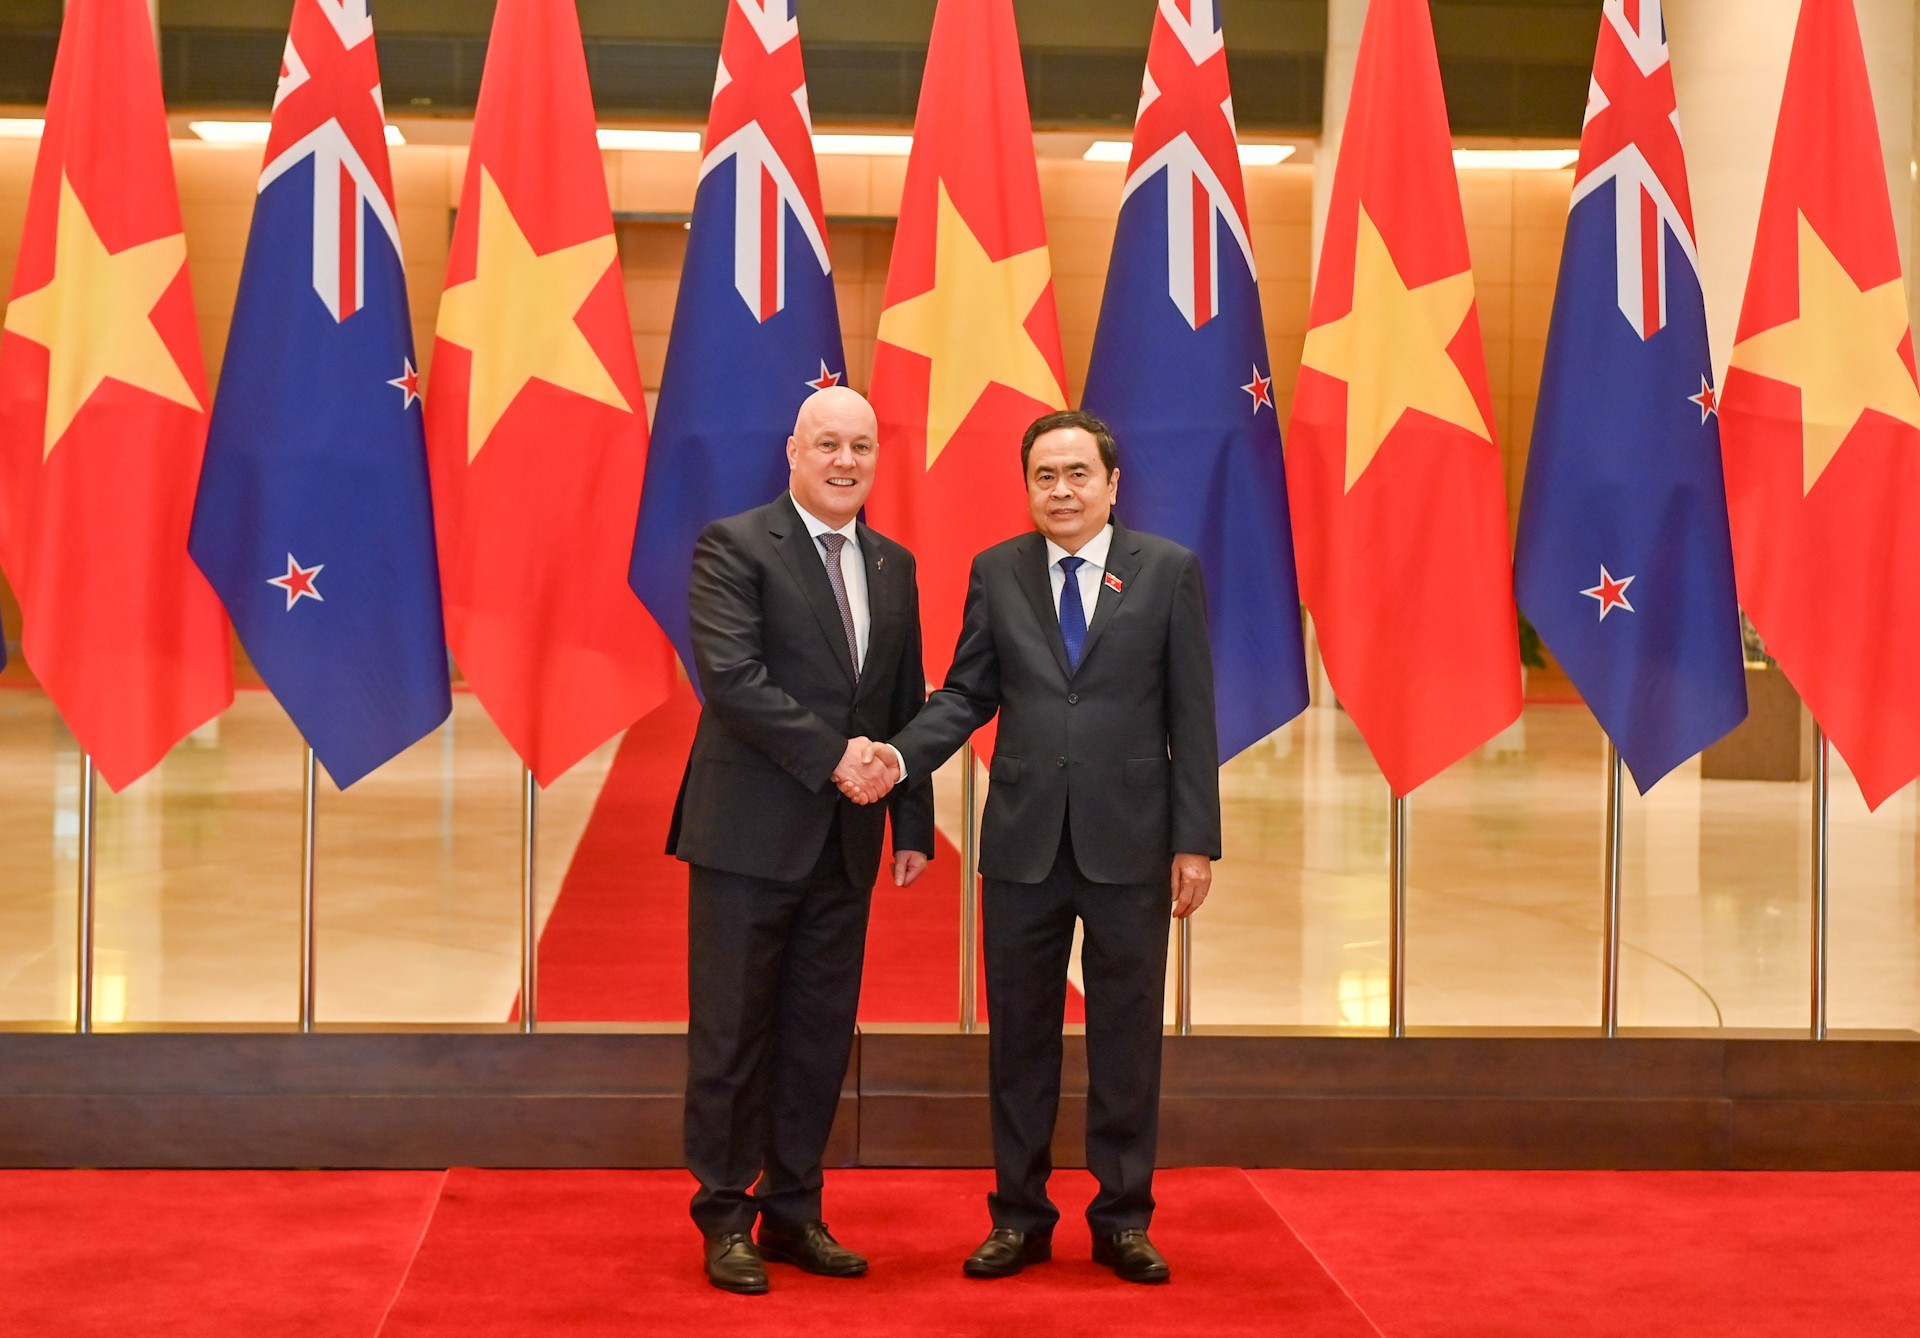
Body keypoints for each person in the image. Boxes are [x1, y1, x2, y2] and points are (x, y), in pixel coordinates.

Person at [850, 408, 1220, 1285]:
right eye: (1045, 476)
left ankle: (1123, 1217)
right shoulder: (999, 571)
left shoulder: (1165, 572)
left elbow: (1192, 717)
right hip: (1022, 846)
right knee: (1020, 1037)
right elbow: (968, 693)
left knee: (1128, 1037)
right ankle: (1019, 1216)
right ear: (1027, 487)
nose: (1061, 490)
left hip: (1132, 843)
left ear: (1112, 484)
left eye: (1077, 474)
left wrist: (1195, 841)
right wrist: (901, 755)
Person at [670, 385, 932, 1295]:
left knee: (820, 1033)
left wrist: (912, 816)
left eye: (860, 446)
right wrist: (838, 760)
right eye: (828, 445)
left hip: (850, 838)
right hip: (747, 833)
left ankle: (794, 1210)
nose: (845, 462)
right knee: (735, 1031)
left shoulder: (894, 564)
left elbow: (906, 698)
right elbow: (733, 680)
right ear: (793, 452)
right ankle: (724, 1215)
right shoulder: (735, 546)